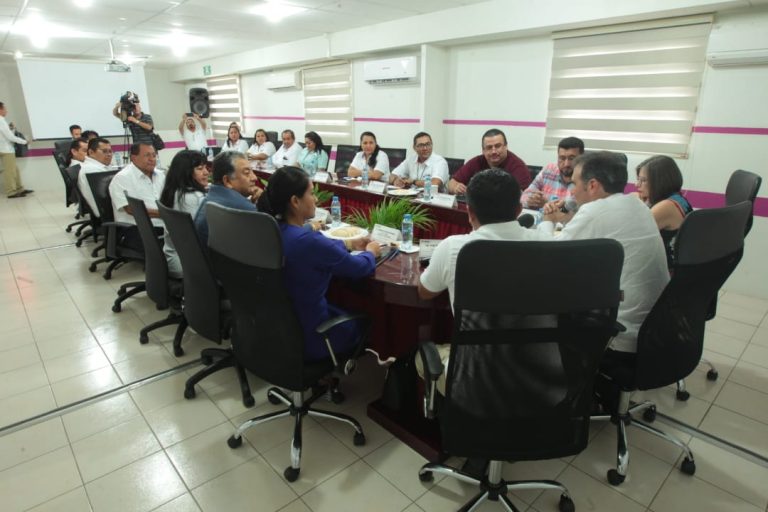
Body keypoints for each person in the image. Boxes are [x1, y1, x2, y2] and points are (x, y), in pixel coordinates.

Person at [417, 168, 552, 393]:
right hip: (537, 373)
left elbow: (425, 292)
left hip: (474, 376)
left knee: (423, 357)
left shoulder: (454, 247)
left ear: (469, 212)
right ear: (519, 210)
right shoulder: (547, 244)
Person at [540, 151, 669, 356]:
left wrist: (547, 221)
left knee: (543, 296)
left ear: (592, 185)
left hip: (620, 332)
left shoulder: (595, 211)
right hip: (654, 328)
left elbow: (548, 256)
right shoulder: (636, 204)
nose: (571, 192)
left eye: (574, 184)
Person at [258, 166, 381, 360]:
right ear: (295, 201)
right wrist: (371, 252)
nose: (315, 199)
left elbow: (323, 248)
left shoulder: (271, 230)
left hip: (281, 329)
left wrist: (347, 243)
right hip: (314, 335)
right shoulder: (307, 240)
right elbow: (359, 268)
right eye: (311, 193)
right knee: (371, 321)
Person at [635, 155, 693, 269]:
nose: (637, 185)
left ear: (659, 182)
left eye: (643, 180)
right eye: (638, 179)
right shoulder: (675, 198)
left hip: (665, 273)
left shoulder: (666, 207)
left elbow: (631, 235)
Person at [194, 151, 261, 246]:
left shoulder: (211, 196)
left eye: (252, 171)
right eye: (247, 173)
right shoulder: (245, 210)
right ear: (227, 181)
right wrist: (262, 203)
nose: (254, 178)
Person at [159, 150, 209, 277]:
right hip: (189, 263)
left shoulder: (172, 191)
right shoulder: (194, 198)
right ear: (186, 173)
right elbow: (207, 236)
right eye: (200, 168)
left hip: (173, 256)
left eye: (205, 167)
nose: (206, 172)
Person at [109, 143, 166, 245]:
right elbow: (131, 209)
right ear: (133, 158)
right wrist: (165, 214)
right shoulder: (122, 178)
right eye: (147, 155)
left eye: (154, 155)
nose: (152, 159)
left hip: (163, 224)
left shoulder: (160, 174)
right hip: (137, 229)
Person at [447, 128, 531, 195]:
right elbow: (451, 183)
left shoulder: (518, 167)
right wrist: (455, 187)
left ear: (506, 146)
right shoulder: (477, 161)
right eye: (489, 147)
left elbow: (522, 197)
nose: (494, 151)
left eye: (498, 146)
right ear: (483, 150)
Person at [521, 136, 584, 209]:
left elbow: (577, 211)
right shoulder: (549, 170)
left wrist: (547, 204)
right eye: (562, 158)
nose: (566, 164)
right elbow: (525, 196)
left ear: (582, 158)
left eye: (571, 158)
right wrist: (531, 201)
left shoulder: (586, 179)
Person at [0, 101, 32, 199]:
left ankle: (19, 188)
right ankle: (11, 191)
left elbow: (6, 134)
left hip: (5, 148)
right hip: (6, 149)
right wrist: (24, 141)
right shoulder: (1, 120)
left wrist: (11, 128)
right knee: (10, 171)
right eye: (5, 108)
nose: (6, 110)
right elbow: (10, 137)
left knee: (15, 169)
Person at [77, 137, 112, 216]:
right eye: (105, 151)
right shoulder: (92, 170)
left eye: (110, 151)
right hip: (106, 213)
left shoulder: (95, 166)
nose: (109, 154)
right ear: (91, 152)